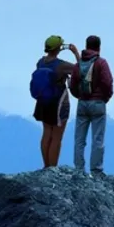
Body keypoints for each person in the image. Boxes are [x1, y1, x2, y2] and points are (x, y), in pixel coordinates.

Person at [31, 35, 80, 169]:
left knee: (47, 133)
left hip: (43, 102)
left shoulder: (40, 62)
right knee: (57, 137)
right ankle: (53, 168)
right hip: (59, 103)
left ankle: (46, 165)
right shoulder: (61, 65)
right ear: (59, 48)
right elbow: (81, 70)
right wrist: (75, 52)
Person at [70, 35, 114, 175]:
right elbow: (108, 83)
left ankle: (79, 169)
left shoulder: (79, 64)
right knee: (98, 139)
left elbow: (73, 85)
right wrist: (104, 98)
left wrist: (80, 96)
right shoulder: (102, 63)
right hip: (98, 104)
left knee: (79, 139)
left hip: (82, 104)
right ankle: (96, 170)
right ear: (99, 47)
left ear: (86, 46)